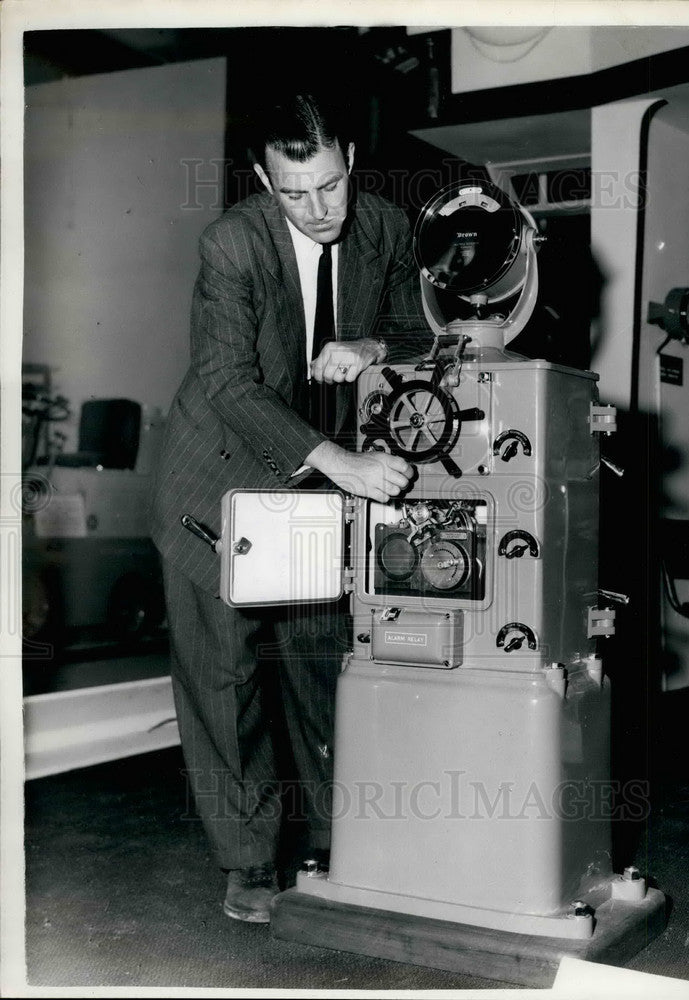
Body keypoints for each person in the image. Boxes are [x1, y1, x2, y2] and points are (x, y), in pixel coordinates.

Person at [150, 94, 431, 922]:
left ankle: (343, 844)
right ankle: (248, 864)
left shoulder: (381, 225)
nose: (319, 210)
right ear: (265, 183)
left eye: (331, 185)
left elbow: (432, 334)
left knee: (324, 664)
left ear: (349, 155)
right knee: (226, 680)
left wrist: (374, 345)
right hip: (221, 479)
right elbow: (228, 383)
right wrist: (340, 461)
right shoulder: (232, 244)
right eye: (294, 195)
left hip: (310, 492)